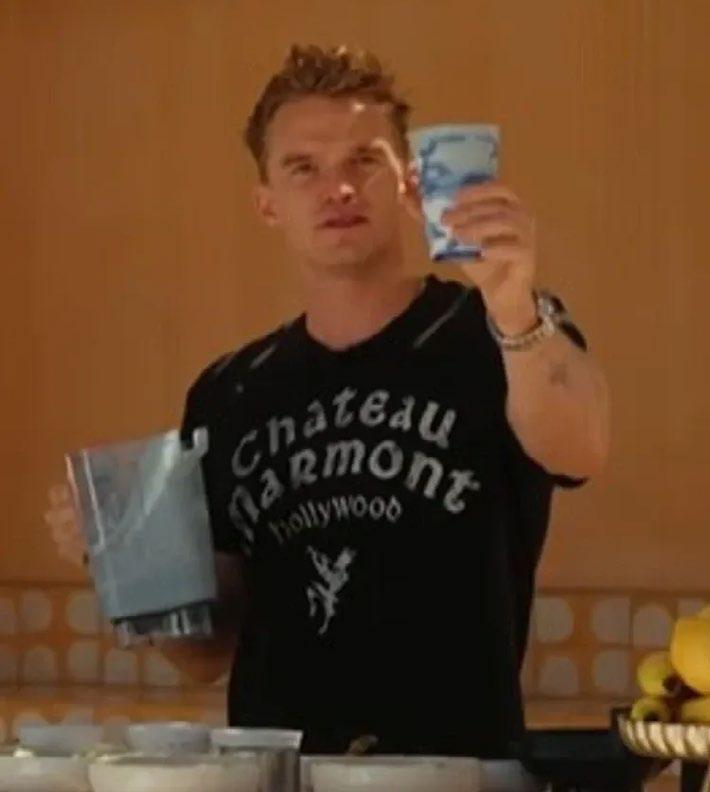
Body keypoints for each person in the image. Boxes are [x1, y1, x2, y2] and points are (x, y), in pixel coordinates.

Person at [54, 44, 610, 760]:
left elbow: (579, 450)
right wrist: (115, 552)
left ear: (407, 182)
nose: (338, 188)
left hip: (452, 773)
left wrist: (512, 304)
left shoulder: (495, 332)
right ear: (267, 204)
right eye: (303, 168)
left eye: (363, 161)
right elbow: (206, 653)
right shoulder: (230, 391)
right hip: (273, 773)